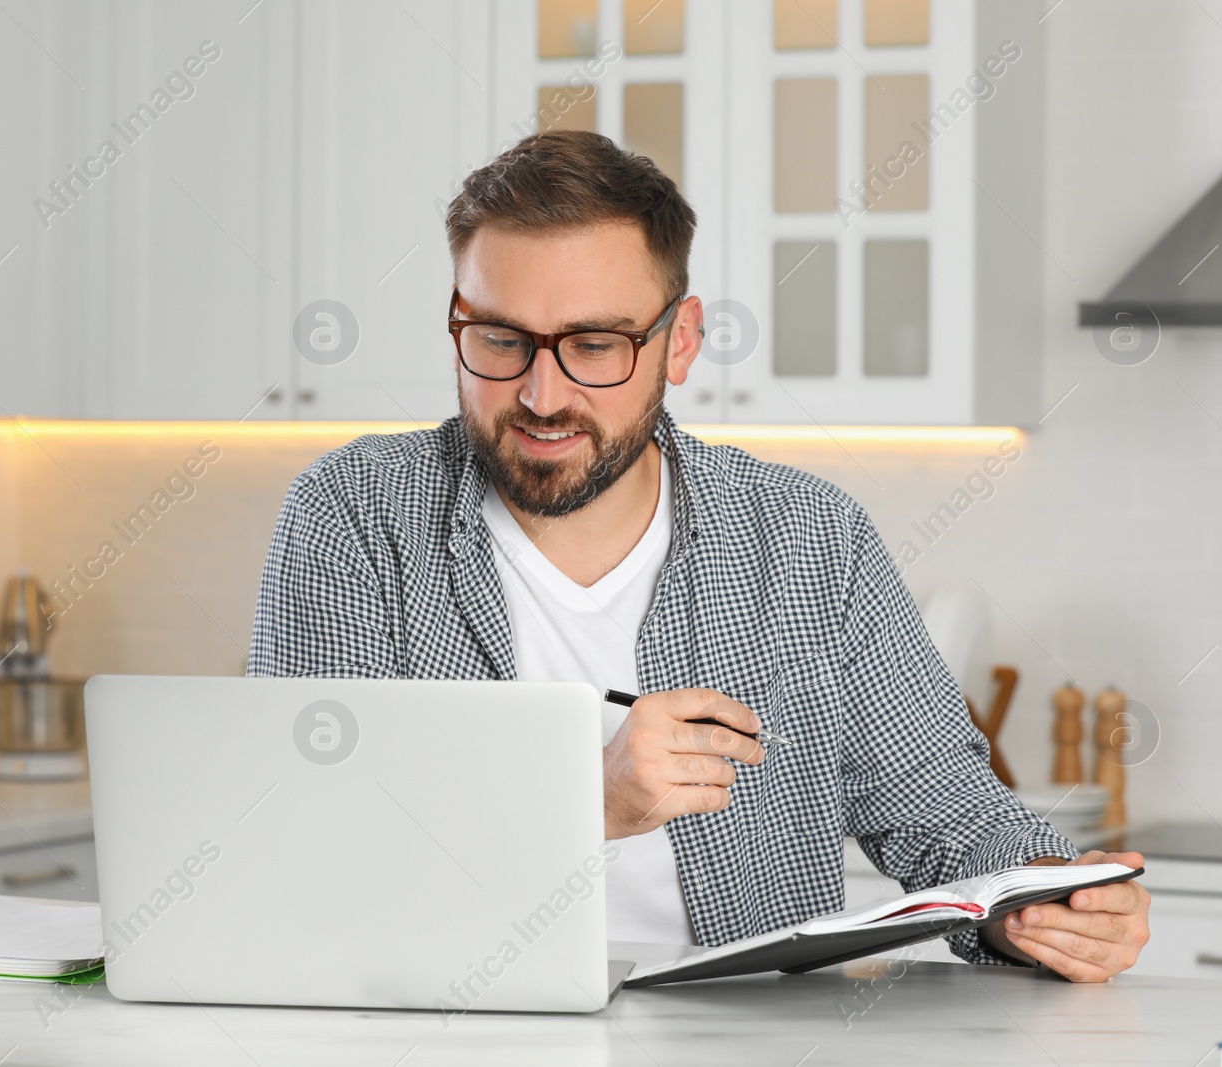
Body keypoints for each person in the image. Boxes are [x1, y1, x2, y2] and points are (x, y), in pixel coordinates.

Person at [248, 130, 1149, 981]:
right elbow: (316, 852)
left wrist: (1045, 904)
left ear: (679, 342)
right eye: (500, 339)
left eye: (595, 344)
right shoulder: (355, 516)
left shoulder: (808, 538)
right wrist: (587, 802)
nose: (540, 391)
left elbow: (944, 812)